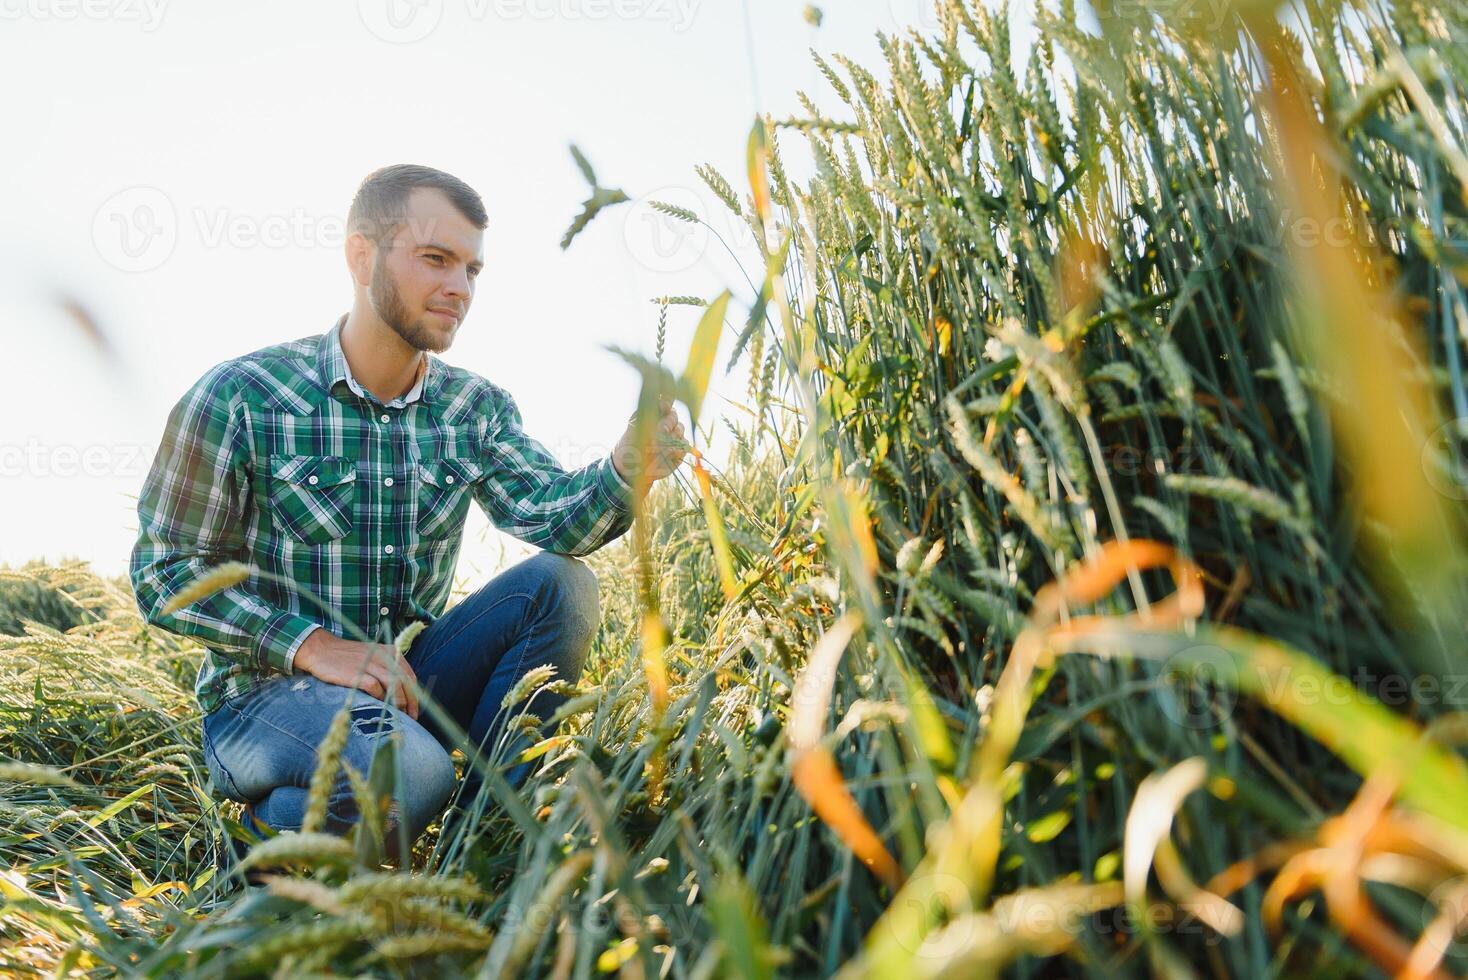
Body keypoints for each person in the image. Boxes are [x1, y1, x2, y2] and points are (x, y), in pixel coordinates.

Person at [129, 164, 686, 862]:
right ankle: (289, 842)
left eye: (472, 269)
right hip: (264, 703)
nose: (460, 287)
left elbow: (554, 518)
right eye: (435, 259)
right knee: (410, 767)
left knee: (560, 584)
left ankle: (488, 849)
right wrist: (312, 646)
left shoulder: (472, 408)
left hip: (409, 688)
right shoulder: (241, 395)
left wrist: (621, 474)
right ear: (361, 256)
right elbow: (164, 573)